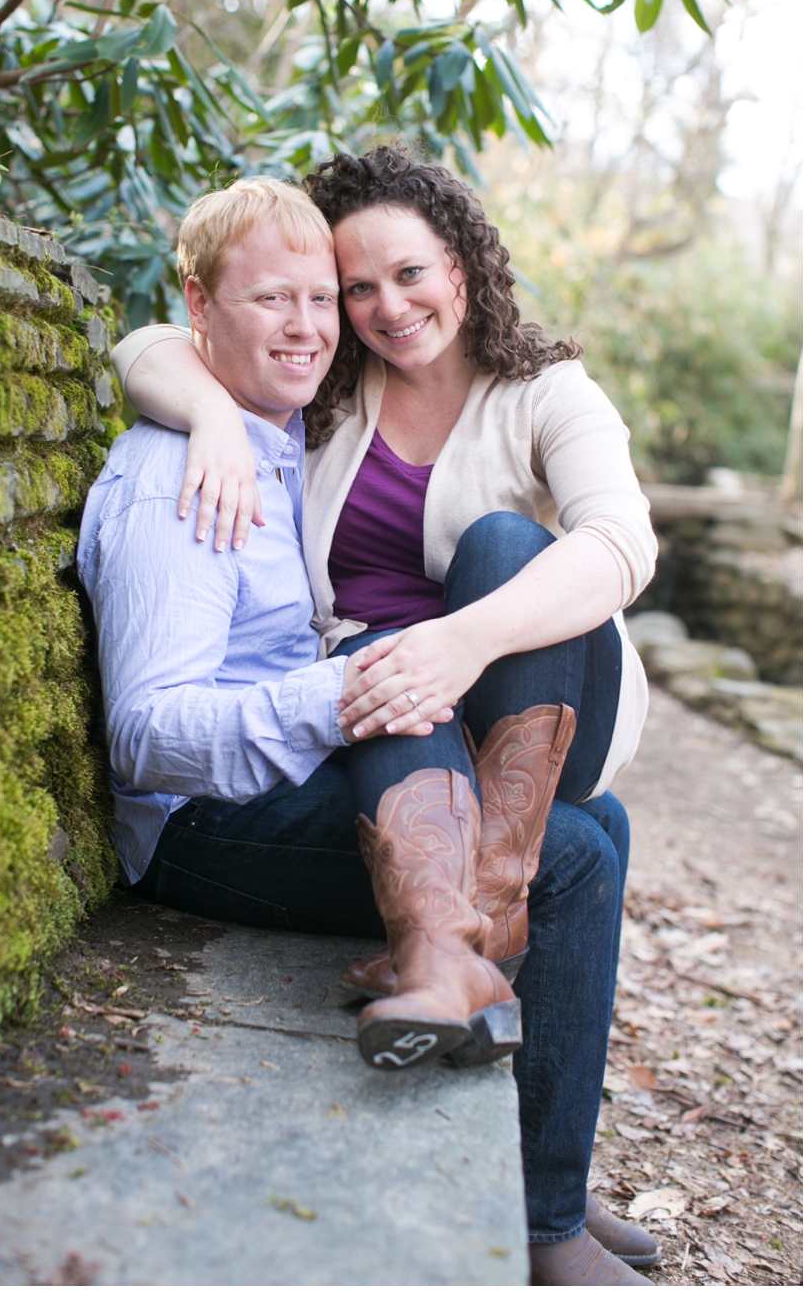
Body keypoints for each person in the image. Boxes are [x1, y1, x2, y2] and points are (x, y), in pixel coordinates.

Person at [111, 148, 661, 1286]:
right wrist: (210, 414)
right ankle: (547, 1190)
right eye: (352, 286)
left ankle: (460, 954)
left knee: (510, 548)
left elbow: (619, 545)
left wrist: (460, 642)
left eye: (401, 276)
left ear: (460, 269)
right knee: (589, 849)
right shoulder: (326, 396)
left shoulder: (545, 393)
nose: (376, 307)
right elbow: (159, 339)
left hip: (526, 687)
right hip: (383, 715)